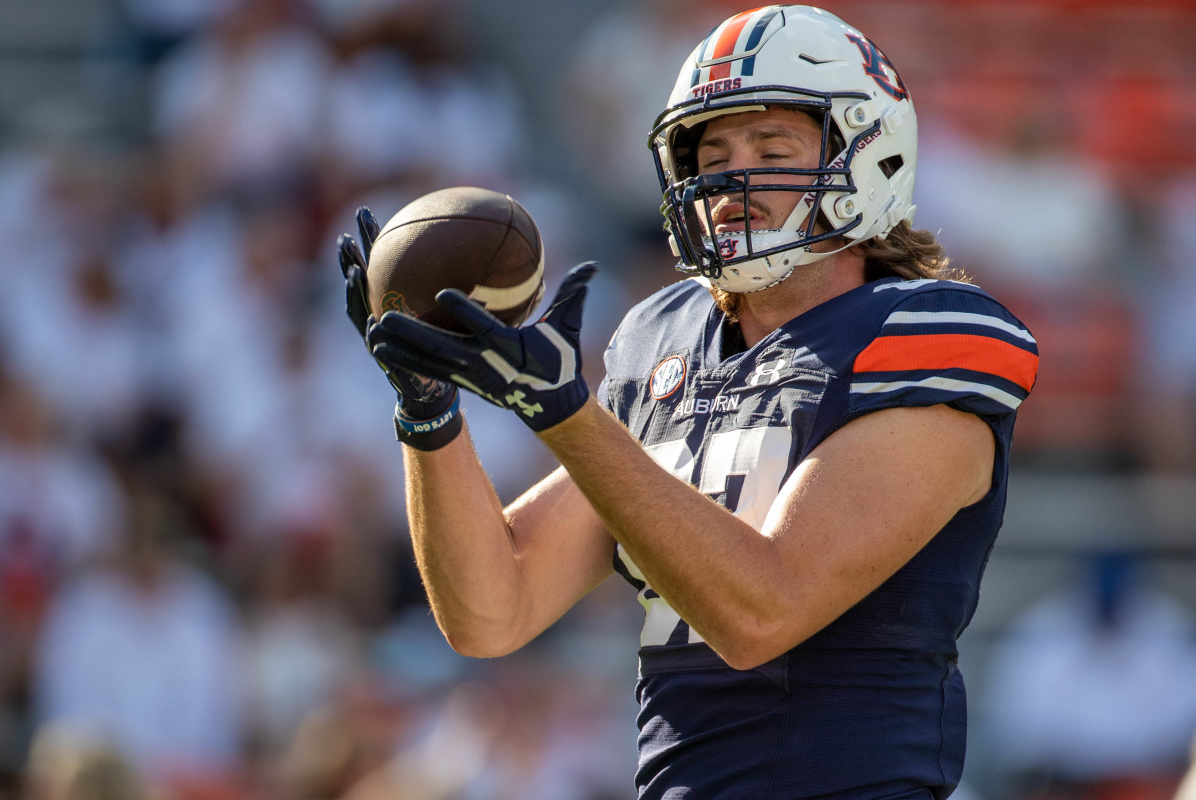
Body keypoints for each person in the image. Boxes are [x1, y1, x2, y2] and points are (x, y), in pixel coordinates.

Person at [336, 6, 1039, 798]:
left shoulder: (925, 333)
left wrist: (566, 415)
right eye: (711, 155)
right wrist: (429, 414)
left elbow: (762, 611)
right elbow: (493, 610)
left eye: (772, 150)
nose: (731, 181)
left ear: (865, 157)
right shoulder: (661, 340)